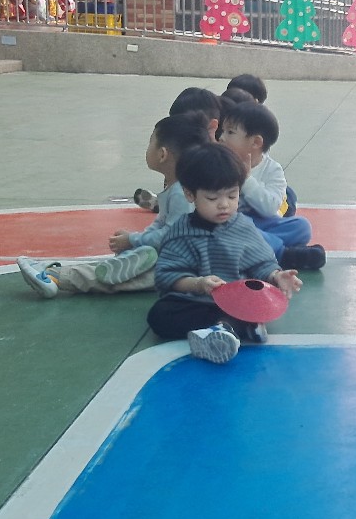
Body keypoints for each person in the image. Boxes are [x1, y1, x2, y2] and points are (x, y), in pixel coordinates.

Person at [17, 111, 212, 297]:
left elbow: (172, 236)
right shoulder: (176, 187)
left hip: (180, 269)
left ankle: (54, 277)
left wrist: (133, 240)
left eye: (151, 141)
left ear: (162, 154)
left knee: (110, 278)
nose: (147, 147)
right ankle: (56, 272)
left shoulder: (181, 192)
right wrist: (136, 239)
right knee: (127, 263)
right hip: (173, 259)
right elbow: (161, 224)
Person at [147, 144, 303, 364]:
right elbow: (168, 276)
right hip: (199, 302)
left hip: (239, 300)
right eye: (212, 199)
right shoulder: (182, 232)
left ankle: (229, 326)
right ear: (190, 194)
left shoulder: (242, 226)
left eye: (232, 195)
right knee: (160, 315)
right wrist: (198, 284)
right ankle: (234, 326)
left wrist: (276, 276)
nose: (224, 205)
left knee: (259, 302)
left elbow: (261, 263)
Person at [217, 101, 325, 271]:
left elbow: (270, 209)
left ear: (256, 142)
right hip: (234, 224)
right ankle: (283, 254)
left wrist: (246, 180)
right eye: (223, 131)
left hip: (265, 223)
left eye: (230, 132)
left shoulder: (272, 169)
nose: (221, 138)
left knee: (302, 226)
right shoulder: (219, 163)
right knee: (239, 227)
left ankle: (265, 247)